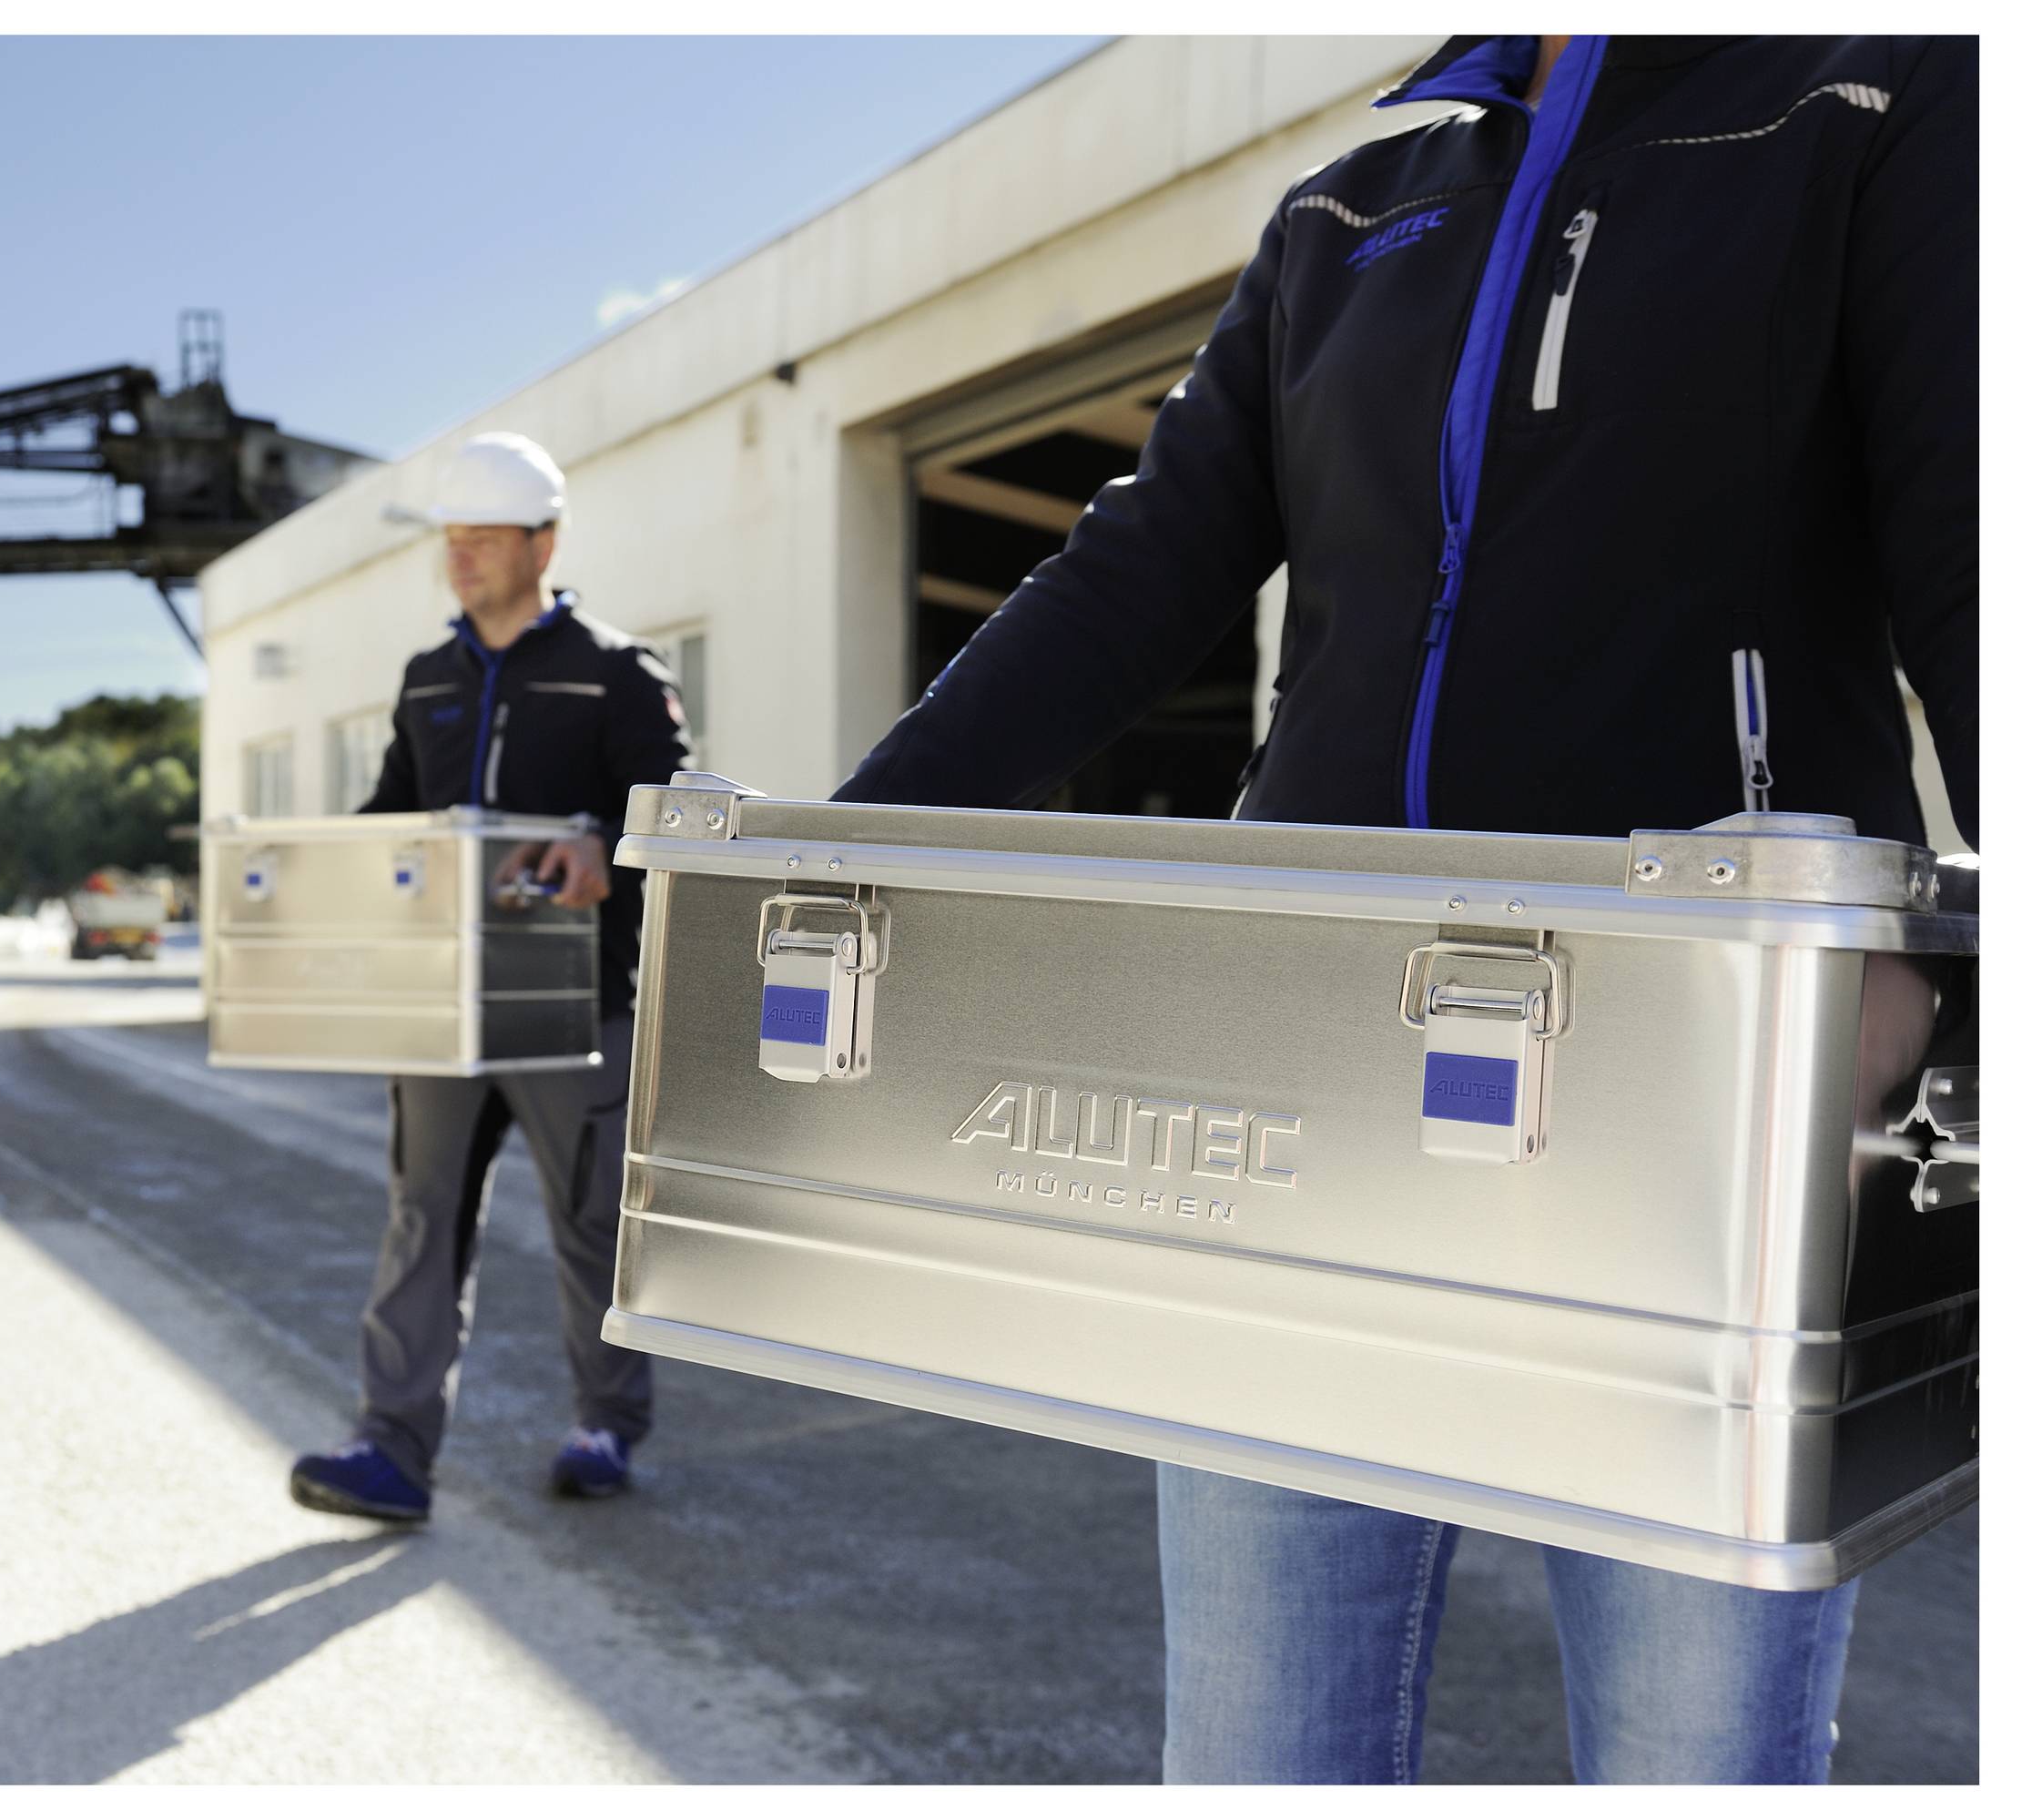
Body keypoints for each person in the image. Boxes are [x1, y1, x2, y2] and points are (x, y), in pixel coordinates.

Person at [833, 36, 1976, 1784]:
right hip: (1305, 1075)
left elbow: (1983, 546)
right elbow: (1140, 566)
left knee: (1701, 1758)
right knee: (1259, 1751)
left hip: (1707, 1081)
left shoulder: (1868, 97)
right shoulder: (1354, 202)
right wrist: (849, 852)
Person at [288, 432, 693, 1524]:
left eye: (483, 538)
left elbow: (673, 813)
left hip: (575, 1002)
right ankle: (391, 1447)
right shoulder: (431, 677)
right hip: (443, 1006)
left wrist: (602, 844)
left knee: (591, 1222)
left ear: (544, 541)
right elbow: (395, 818)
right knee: (423, 1217)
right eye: (451, 540)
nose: (460, 558)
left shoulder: (614, 670)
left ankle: (606, 1424)